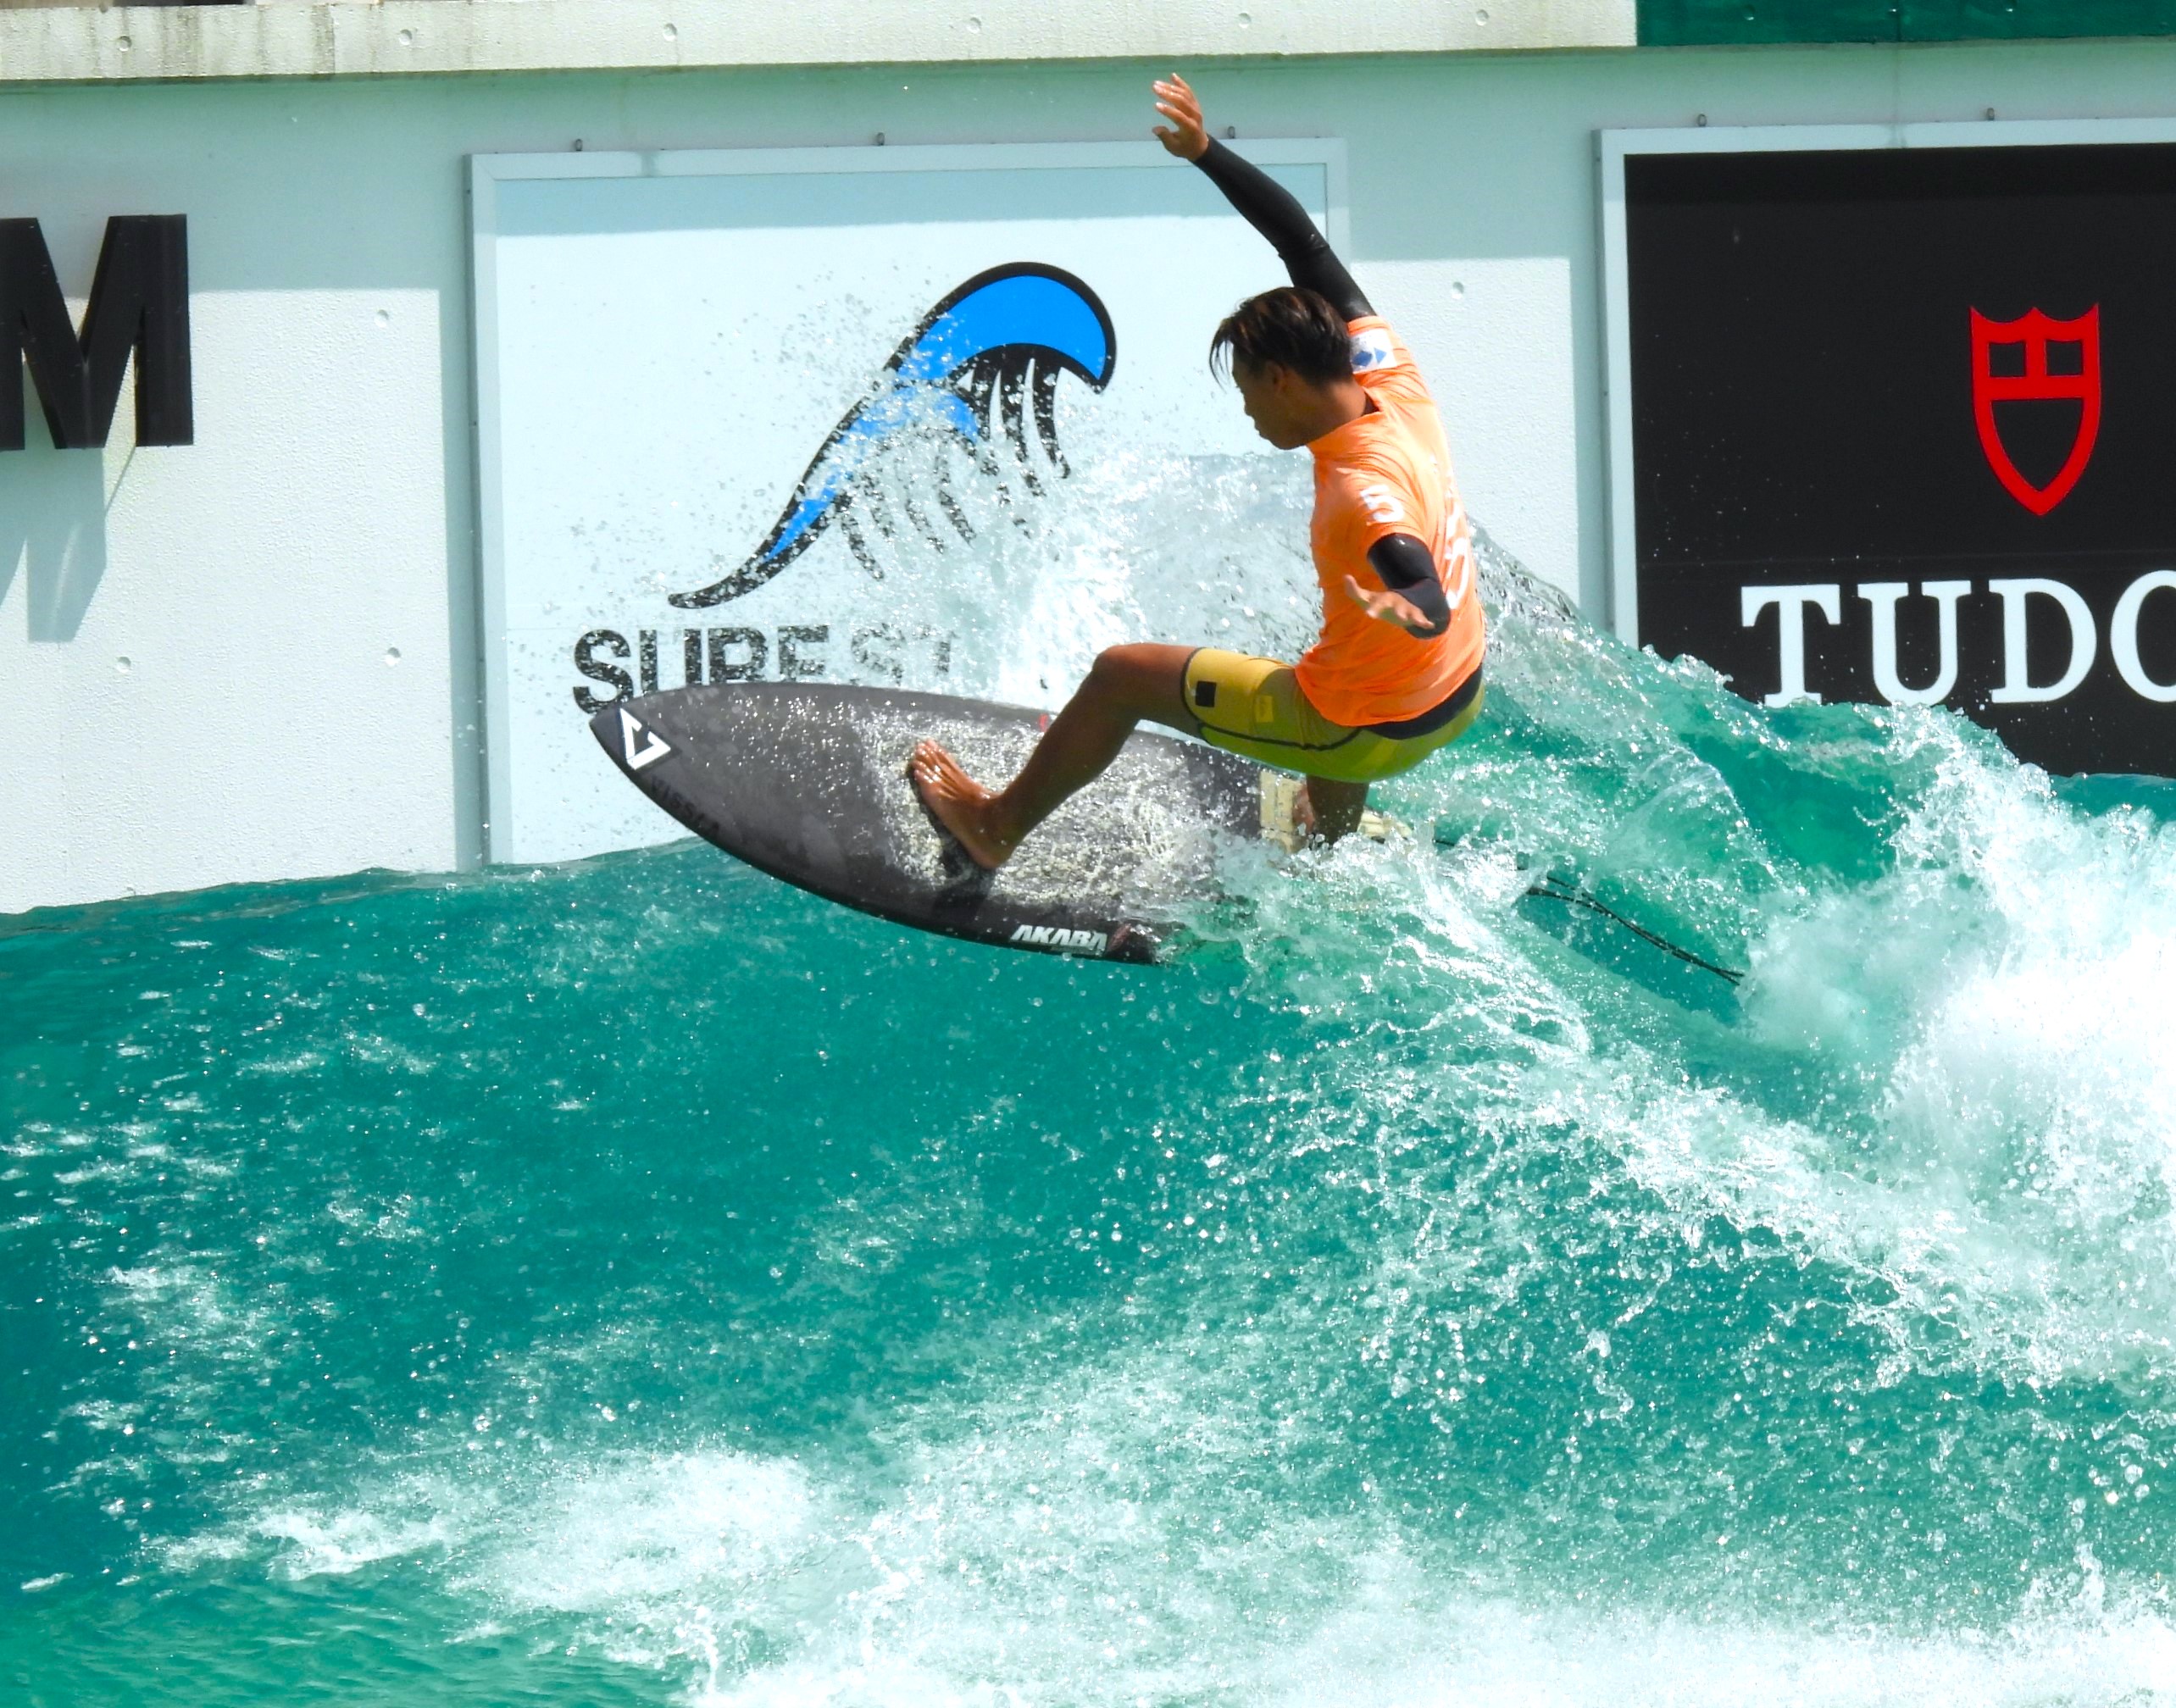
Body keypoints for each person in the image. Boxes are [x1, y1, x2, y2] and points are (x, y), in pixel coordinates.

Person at [910, 72, 1485, 869]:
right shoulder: (1392, 380)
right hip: (1456, 694)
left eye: (1247, 392)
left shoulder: (1364, 488)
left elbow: (1419, 584)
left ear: (1281, 378)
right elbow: (1304, 246)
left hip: (1375, 728)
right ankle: (1325, 836)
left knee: (1121, 675)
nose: (1248, 413)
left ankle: (995, 828)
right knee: (1329, 646)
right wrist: (1206, 152)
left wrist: (1406, 602)